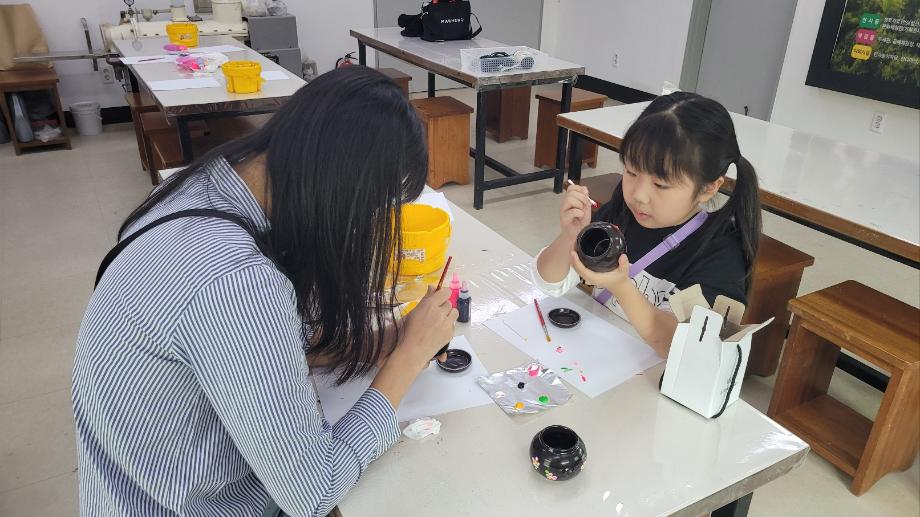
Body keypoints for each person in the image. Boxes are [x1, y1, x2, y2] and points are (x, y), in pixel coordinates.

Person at [72, 66, 457, 516]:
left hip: (124, 486)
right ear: (340, 190)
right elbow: (313, 491)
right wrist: (407, 359)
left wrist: (376, 343)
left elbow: (243, 349)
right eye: (369, 209)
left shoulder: (200, 186)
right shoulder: (236, 280)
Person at [534, 92, 761, 357]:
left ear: (708, 188)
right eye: (631, 171)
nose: (638, 195)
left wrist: (621, 287)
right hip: (598, 356)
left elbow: (685, 347)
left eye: (661, 185)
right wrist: (569, 236)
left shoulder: (720, 253)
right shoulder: (619, 214)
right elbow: (549, 282)